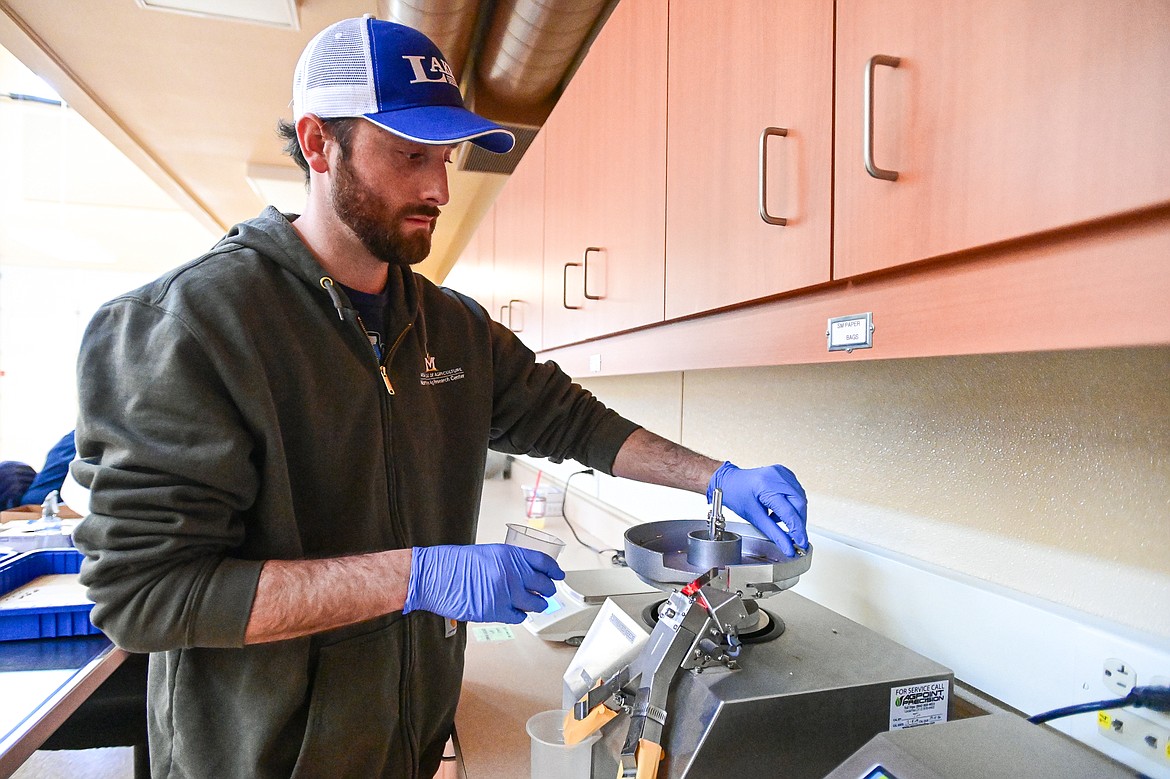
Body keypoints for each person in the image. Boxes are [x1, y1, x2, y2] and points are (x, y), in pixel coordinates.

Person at [70, 17, 808, 779]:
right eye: (409, 154)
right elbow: (146, 595)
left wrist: (717, 476)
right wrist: (417, 575)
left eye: (447, 156)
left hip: (405, 748)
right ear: (320, 144)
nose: (440, 187)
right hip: (263, 759)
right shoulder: (188, 327)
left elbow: (574, 419)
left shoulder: (451, 327)